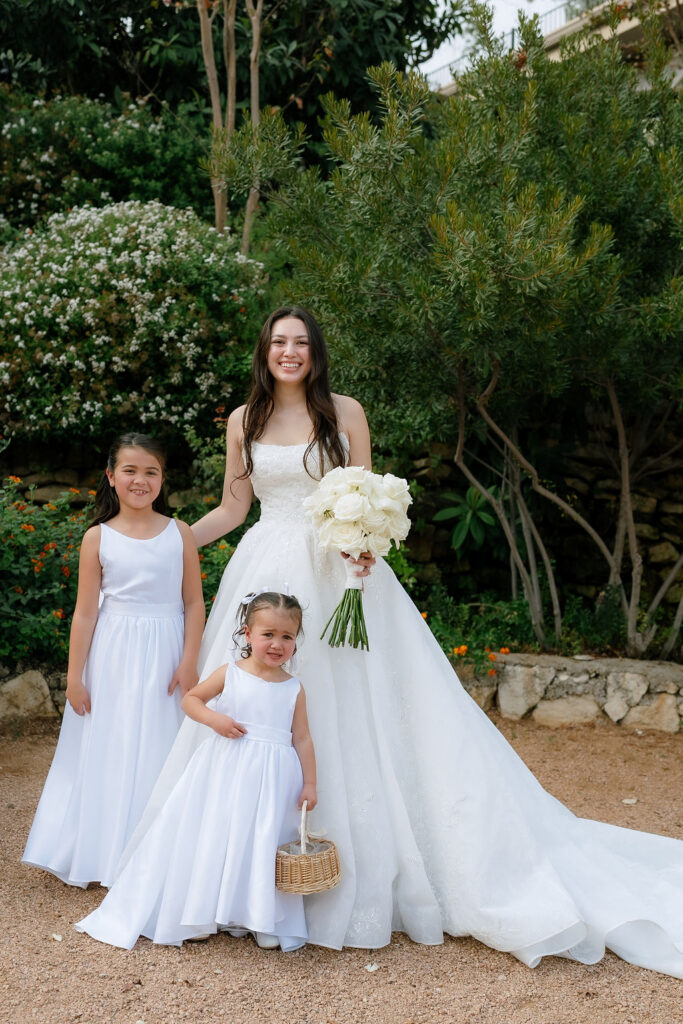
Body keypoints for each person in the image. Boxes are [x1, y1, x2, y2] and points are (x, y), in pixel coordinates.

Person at [129, 308, 683, 977]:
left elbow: (363, 493)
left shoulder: (346, 412)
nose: (289, 351)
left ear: (315, 352)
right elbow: (232, 508)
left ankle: (357, 866)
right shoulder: (242, 421)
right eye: (278, 341)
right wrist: (167, 541)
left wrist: (365, 548)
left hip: (342, 575)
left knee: (358, 709)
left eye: (301, 342)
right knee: (251, 708)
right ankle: (237, 875)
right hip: (265, 571)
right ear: (263, 351)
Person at [75, 591, 313, 951]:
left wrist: (310, 782)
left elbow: (303, 738)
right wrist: (215, 720)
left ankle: (257, 914)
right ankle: (201, 912)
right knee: (216, 835)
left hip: (274, 779)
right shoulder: (230, 673)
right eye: (268, 634)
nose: (277, 644)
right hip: (225, 770)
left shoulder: (294, 688)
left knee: (260, 841)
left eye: (287, 637)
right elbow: (191, 699)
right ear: (248, 633)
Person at [22, 433, 205, 888]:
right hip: (114, 651)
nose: (140, 480)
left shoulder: (179, 532)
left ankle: (157, 850)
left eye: (151, 471)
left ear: (162, 479)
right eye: (130, 470)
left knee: (161, 742)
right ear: (111, 476)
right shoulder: (96, 537)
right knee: (114, 742)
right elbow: (85, 613)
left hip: (166, 646)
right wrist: (74, 676)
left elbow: (194, 604)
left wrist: (188, 661)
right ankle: (104, 851)